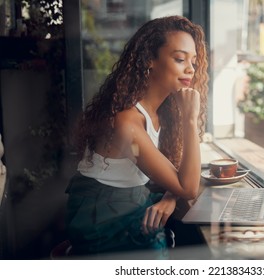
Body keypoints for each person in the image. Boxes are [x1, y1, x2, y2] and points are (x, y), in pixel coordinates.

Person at [65, 15, 209, 258]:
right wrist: (190, 119)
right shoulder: (126, 123)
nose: (191, 69)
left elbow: (176, 178)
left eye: (194, 61)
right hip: (103, 219)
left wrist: (170, 197)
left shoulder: (159, 110)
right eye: (179, 59)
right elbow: (189, 187)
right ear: (150, 60)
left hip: (131, 200)